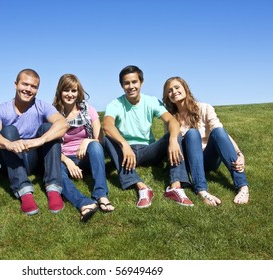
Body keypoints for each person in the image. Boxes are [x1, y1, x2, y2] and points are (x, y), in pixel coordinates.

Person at [103, 65, 193, 208]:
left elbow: (172, 121)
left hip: (149, 150)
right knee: (108, 138)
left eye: (134, 82)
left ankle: (175, 187)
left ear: (141, 83)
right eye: (126, 83)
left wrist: (173, 140)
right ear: (122, 85)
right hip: (127, 153)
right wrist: (124, 144)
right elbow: (107, 126)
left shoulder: (151, 101)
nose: (131, 86)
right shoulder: (115, 104)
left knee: (175, 134)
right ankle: (141, 187)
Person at [0, 68, 69, 215]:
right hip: (11, 159)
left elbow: (63, 124)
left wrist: (40, 140)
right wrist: (9, 144)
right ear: (16, 84)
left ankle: (53, 188)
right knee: (8, 131)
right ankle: (24, 192)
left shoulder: (42, 106)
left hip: (34, 158)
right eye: (25, 84)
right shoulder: (0, 109)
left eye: (34, 87)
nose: (28, 89)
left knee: (49, 128)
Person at [162, 76, 249, 206]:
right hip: (189, 161)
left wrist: (239, 153)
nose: (174, 91)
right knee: (192, 133)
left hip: (209, 158)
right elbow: (172, 144)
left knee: (218, 131)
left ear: (185, 88)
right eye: (169, 90)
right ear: (167, 96)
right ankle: (202, 190)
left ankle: (243, 187)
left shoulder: (204, 108)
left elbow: (222, 134)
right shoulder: (170, 118)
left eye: (177, 87)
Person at [53, 74, 115, 222]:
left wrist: (87, 141)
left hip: (86, 156)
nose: (70, 94)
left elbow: (99, 138)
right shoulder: (53, 114)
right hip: (65, 158)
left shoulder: (88, 110)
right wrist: (68, 161)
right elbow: (51, 146)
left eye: (73, 91)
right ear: (60, 91)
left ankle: (101, 195)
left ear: (78, 92)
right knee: (56, 172)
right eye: (66, 90)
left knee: (95, 146)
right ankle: (85, 204)